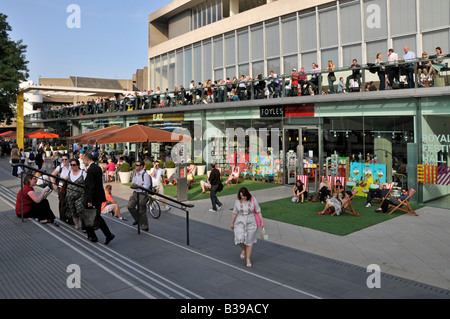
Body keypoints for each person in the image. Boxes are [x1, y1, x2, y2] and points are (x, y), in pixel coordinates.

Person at [83, 152, 115, 244]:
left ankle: (94, 236)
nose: (83, 161)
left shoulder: (91, 169)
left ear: (87, 159)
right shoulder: (97, 167)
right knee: (96, 216)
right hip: (98, 197)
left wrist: (90, 200)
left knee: (90, 216)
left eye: (84, 159)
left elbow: (92, 186)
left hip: (93, 197)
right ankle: (106, 235)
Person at [230, 187, 264, 268]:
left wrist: (262, 221)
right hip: (240, 221)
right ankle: (244, 249)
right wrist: (232, 223)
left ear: (247, 194)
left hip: (251, 221)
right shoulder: (237, 201)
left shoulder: (253, 200)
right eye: (241, 195)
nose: (243, 197)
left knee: (249, 241)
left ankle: (248, 259)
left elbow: (258, 211)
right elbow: (234, 213)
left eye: (244, 195)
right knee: (239, 238)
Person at [128, 160, 152, 231]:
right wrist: (134, 183)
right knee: (130, 206)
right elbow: (133, 182)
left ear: (141, 167)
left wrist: (139, 185)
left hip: (142, 194)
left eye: (137, 165)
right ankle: (138, 219)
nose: (136, 166)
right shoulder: (136, 173)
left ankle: (144, 226)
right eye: (136, 165)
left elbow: (147, 186)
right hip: (135, 192)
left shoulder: (145, 175)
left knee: (142, 211)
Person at [65, 158, 87, 230]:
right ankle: (76, 224)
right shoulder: (69, 172)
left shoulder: (83, 173)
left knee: (80, 210)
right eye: (71, 165)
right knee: (73, 210)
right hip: (70, 196)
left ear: (78, 165)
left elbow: (87, 184)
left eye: (74, 165)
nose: (72, 166)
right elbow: (64, 181)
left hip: (80, 196)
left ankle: (84, 225)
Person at [51, 154, 71, 224]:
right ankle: (63, 218)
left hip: (70, 187)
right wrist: (54, 184)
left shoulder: (71, 167)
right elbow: (52, 175)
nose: (64, 161)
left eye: (66, 159)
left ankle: (69, 218)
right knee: (62, 203)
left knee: (70, 203)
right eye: (63, 159)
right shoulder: (60, 167)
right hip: (61, 187)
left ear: (68, 160)